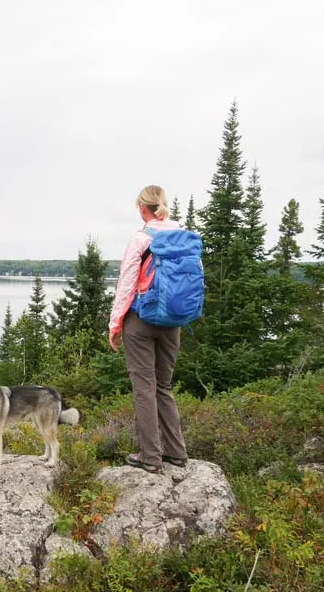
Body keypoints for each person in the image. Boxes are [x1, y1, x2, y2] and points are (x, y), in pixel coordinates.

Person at [108, 185, 188, 474]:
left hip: (141, 322)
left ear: (142, 208)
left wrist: (115, 325)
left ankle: (150, 457)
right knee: (163, 387)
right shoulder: (184, 236)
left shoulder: (141, 238)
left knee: (144, 389)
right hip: (172, 322)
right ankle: (176, 453)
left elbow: (127, 284)